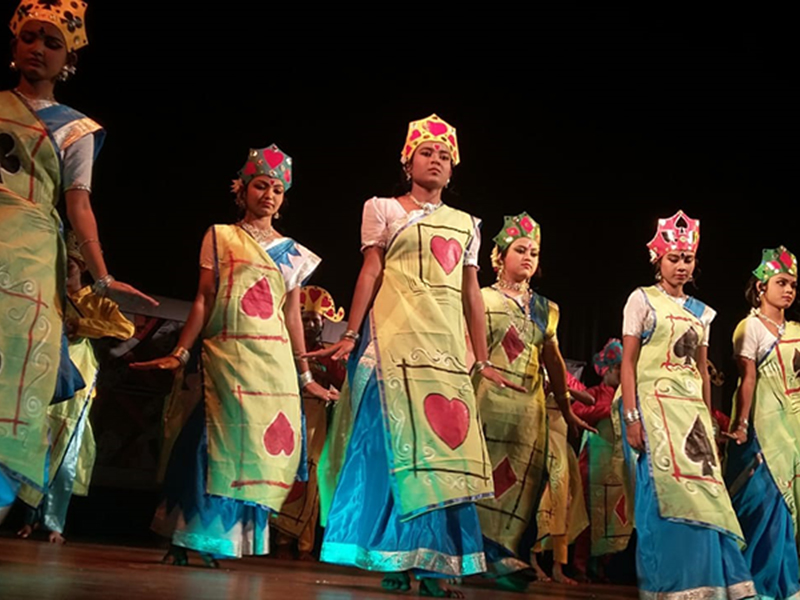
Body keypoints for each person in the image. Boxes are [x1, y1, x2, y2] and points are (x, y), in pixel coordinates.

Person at [310, 114, 522, 598]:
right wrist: (351, 333)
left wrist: (482, 358)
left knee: (443, 459)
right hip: (392, 345)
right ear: (407, 162)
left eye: (444, 156)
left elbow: (471, 294)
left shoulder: (467, 224)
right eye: (427, 153)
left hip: (444, 355)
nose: (436, 161)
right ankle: (392, 554)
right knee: (392, 452)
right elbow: (371, 271)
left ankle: (433, 563)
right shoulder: (382, 209)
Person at [131, 145, 335, 566]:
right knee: (209, 441)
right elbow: (204, 298)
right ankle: (186, 535)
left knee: (254, 451)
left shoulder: (293, 253)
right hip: (226, 353)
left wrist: (305, 376)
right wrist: (181, 352)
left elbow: (291, 316)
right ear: (241, 190)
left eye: (277, 189)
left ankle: (223, 542)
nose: (269, 195)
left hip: (273, 365)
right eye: (261, 186)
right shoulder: (220, 236)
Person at [0, 0, 154, 523]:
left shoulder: (74, 130)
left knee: (18, 378)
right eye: (29, 37)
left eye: (52, 43)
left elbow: (78, 205)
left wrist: (102, 278)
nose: (38, 49)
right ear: (14, 44)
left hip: (29, 260)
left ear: (68, 60)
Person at [620, 210, 755, 599]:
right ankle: (670, 583)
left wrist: (710, 421)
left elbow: (701, 371)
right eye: (674, 258)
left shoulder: (702, 313)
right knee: (662, 494)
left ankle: (713, 580)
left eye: (688, 259)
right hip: (653, 409)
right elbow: (628, 362)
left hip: (691, 414)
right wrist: (631, 416)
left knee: (706, 496)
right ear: (658, 260)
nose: (681, 266)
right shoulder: (641, 300)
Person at [473, 212, 594, 591]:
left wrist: (567, 408)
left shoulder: (546, 308)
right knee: (482, 477)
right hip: (486, 403)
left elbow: (552, 361)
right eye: (520, 250)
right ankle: (475, 552)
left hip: (529, 412)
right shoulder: (480, 298)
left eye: (534, 252)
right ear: (499, 256)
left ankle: (504, 553)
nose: (528, 257)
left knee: (521, 483)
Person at [17, 231, 135, 543]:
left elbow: (125, 328)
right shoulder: (48, 293)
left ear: (82, 266)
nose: (65, 268)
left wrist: (82, 325)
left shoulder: (95, 302)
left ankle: (55, 522)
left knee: (66, 451)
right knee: (34, 446)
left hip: (77, 380)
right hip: (41, 374)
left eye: (71, 263)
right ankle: (29, 517)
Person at [724, 246, 800, 600]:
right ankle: (758, 584)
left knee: (791, 504)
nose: (789, 290)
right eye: (781, 282)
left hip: (794, 427)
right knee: (767, 504)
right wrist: (741, 424)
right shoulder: (750, 327)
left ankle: (787, 585)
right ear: (761, 287)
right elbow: (748, 379)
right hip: (763, 427)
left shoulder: (796, 330)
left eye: (793, 285)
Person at [273, 286, 346, 561]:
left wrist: (333, 393)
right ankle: (280, 539)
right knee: (284, 474)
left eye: (315, 320)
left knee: (311, 481)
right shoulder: (283, 349)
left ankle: (305, 545)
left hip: (316, 426)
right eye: (304, 319)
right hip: (286, 421)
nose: (310, 325)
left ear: (323, 324)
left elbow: (344, 387)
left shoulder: (328, 355)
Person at [572, 339, 634, 582]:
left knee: (613, 517)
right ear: (606, 370)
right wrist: (607, 410)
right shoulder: (594, 393)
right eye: (617, 368)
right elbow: (576, 411)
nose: (620, 373)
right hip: (594, 460)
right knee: (589, 514)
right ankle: (580, 565)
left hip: (617, 463)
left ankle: (601, 565)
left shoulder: (627, 396)